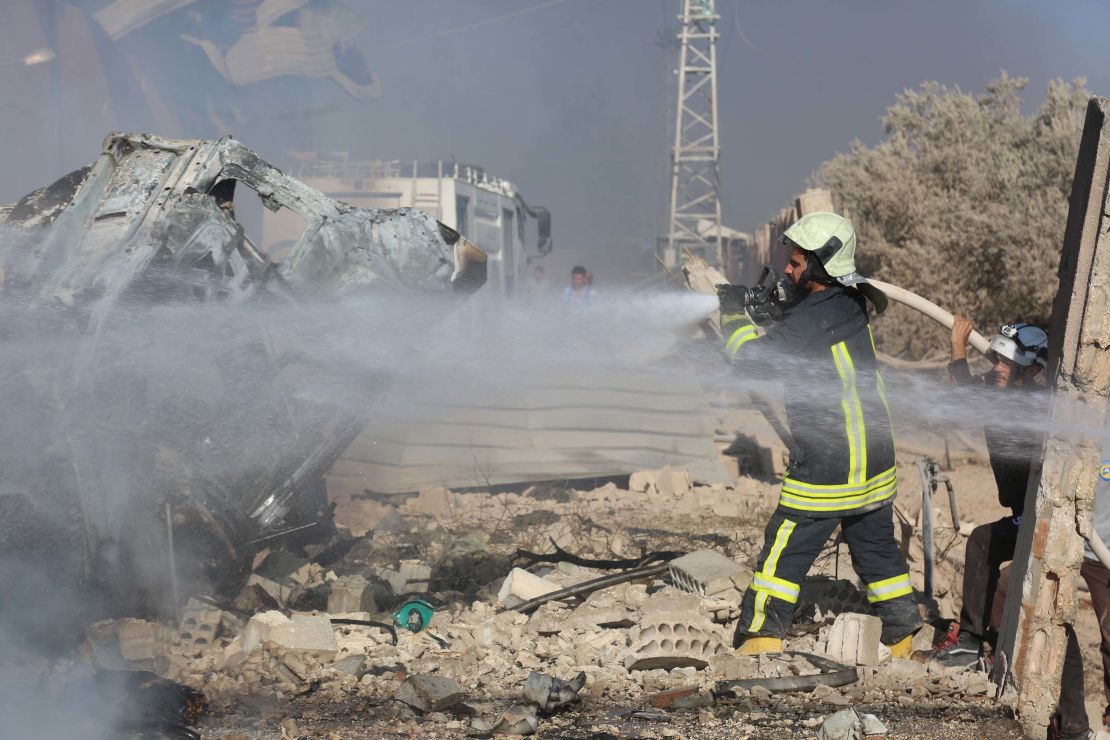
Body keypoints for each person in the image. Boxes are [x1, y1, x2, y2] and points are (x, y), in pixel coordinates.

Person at [719, 212, 920, 655]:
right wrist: (778, 306)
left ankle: (760, 637)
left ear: (821, 266)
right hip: (874, 460)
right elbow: (806, 325)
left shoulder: (811, 323)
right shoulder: (846, 302)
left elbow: (752, 362)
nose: (788, 270)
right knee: (876, 549)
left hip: (831, 462)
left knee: (785, 548)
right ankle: (902, 635)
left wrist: (733, 316)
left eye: (795, 264)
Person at [933, 317, 1049, 666]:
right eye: (996, 360)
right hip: (1021, 517)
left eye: (1008, 364)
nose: (998, 369)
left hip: (1044, 523)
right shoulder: (1001, 392)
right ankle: (970, 640)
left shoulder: (1031, 403)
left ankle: (997, 653)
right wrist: (959, 348)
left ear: (1028, 372)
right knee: (982, 541)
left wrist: (958, 348)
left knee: (1006, 584)